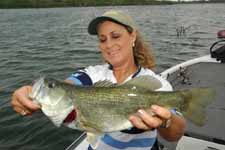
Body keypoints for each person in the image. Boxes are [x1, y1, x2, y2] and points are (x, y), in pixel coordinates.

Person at [11, 10, 186, 150]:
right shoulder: (92, 74)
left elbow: (175, 135)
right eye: (103, 39)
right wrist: (28, 93)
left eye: (115, 36)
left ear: (132, 36)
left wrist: (166, 120)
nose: (108, 44)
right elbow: (69, 86)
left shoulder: (157, 83)